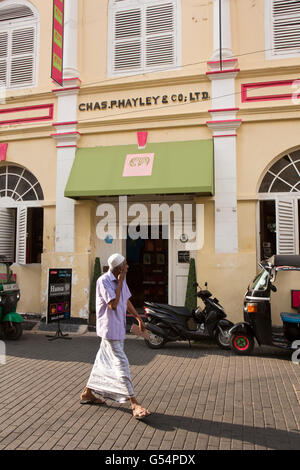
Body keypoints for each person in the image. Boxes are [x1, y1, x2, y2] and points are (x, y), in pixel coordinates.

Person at [80, 253, 151, 420]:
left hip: (118, 328)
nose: (128, 266)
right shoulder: (103, 281)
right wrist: (119, 282)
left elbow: (125, 301)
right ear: (119, 268)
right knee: (121, 363)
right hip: (109, 330)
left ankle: (87, 393)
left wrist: (138, 317)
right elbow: (112, 304)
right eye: (125, 264)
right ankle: (134, 403)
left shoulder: (121, 279)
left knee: (101, 361)